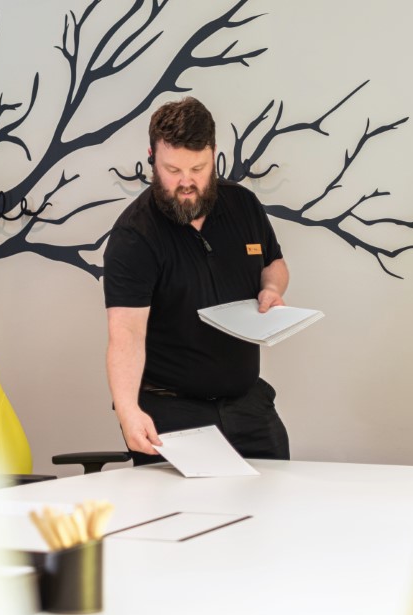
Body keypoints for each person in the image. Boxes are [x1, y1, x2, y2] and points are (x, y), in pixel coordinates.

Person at [103, 96, 291, 465]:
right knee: (189, 518)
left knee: (278, 506)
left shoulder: (243, 206)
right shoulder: (134, 236)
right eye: (172, 170)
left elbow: (274, 263)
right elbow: (125, 335)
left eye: (198, 169)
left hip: (247, 403)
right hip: (173, 413)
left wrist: (271, 289)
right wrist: (128, 411)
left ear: (214, 155)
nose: (186, 183)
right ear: (152, 158)